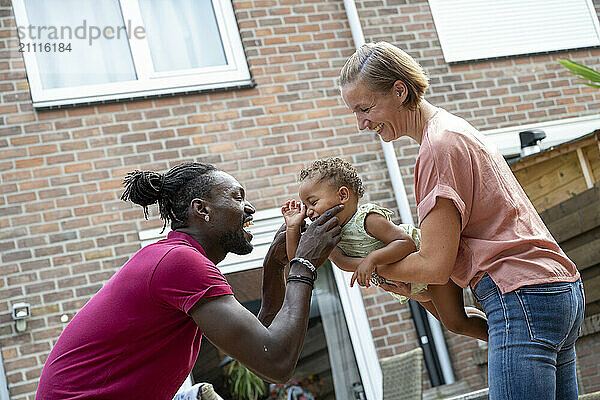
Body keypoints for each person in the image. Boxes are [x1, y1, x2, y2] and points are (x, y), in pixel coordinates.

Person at [338, 41, 584, 399]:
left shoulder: (437, 148)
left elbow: (434, 266)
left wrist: (373, 268)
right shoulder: (453, 129)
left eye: (365, 108)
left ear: (399, 90)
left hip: (520, 295)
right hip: (557, 290)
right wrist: (417, 289)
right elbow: (446, 258)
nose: (361, 124)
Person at [36, 162, 344, 400]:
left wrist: (274, 264)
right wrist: (303, 264)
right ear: (202, 209)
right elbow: (276, 361)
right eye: (238, 197)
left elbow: (259, 350)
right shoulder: (180, 263)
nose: (249, 208)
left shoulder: (177, 260)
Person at [281, 157, 488, 341]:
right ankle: (499, 334)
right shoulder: (332, 236)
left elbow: (406, 243)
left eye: (313, 202)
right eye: (305, 206)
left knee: (456, 322)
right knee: (453, 321)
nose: (308, 212)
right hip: (412, 283)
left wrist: (372, 260)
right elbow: (299, 262)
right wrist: (292, 228)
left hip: (426, 263)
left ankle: (505, 341)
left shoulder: (367, 219)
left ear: (343, 195)